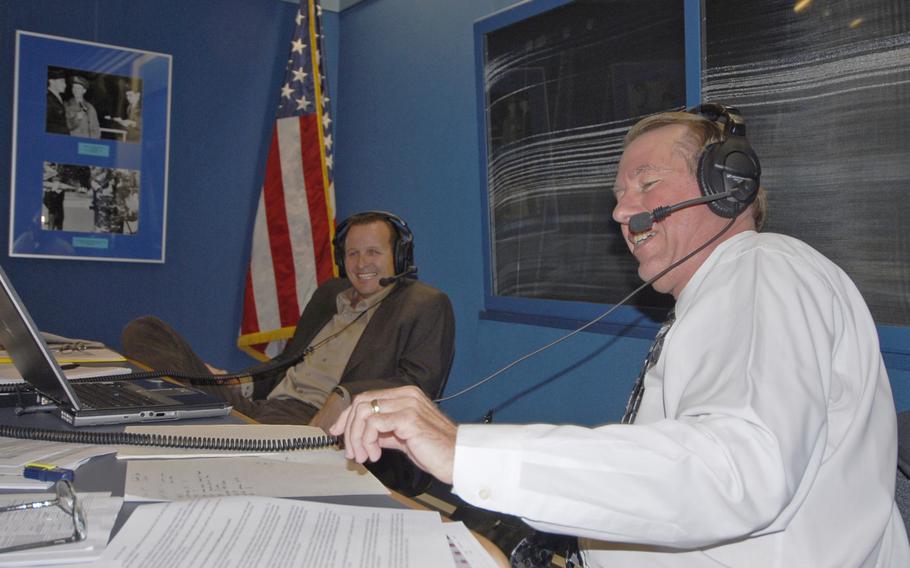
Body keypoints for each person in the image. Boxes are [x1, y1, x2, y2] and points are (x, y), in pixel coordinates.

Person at [331, 106, 910, 567]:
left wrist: (463, 451)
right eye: (617, 196)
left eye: (646, 183)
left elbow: (739, 471)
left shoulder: (762, 267)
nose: (620, 212)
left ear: (727, 187)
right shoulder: (716, 298)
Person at [121, 211, 455, 434]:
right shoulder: (331, 295)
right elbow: (286, 363)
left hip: (308, 420)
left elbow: (417, 385)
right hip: (264, 408)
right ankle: (209, 412)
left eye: (373, 252)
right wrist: (235, 383)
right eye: (352, 253)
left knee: (212, 414)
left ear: (398, 257)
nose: (361, 263)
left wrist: (347, 395)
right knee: (145, 331)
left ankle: (207, 419)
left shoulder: (423, 305)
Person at [45, 68, 68, 135]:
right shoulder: (47, 99)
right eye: (62, 81)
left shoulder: (58, 97)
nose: (65, 85)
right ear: (52, 81)